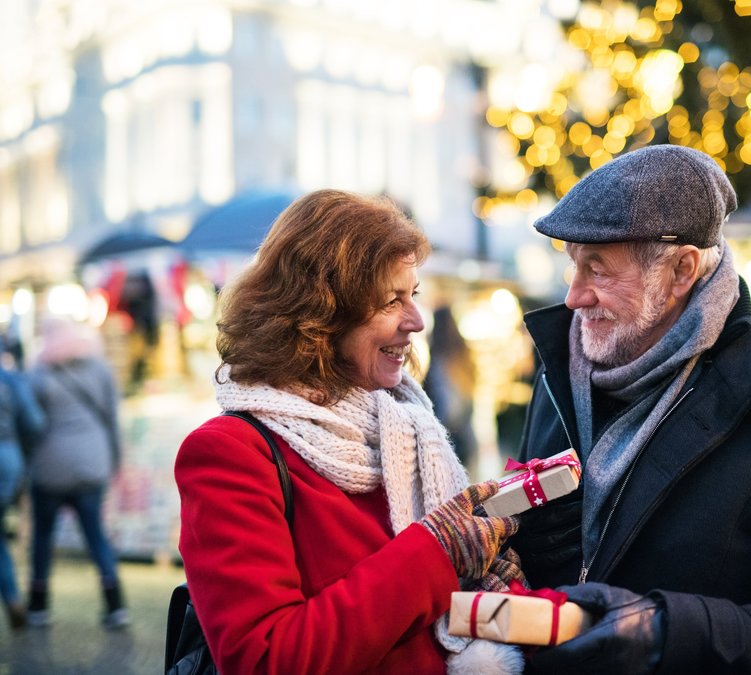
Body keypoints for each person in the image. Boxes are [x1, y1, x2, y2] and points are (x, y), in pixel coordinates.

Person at [511, 145, 751, 674]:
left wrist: (665, 631)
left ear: (682, 270)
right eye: (573, 263)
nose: (573, 297)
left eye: (598, 269)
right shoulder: (557, 375)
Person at [175, 189, 526, 674]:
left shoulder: (406, 423)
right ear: (319, 314)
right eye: (390, 301)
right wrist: (436, 552)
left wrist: (489, 582)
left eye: (414, 295)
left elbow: (436, 620)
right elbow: (266, 658)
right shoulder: (231, 453)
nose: (416, 321)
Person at [25, 317, 129, 629]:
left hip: (49, 467)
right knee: (95, 534)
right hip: (91, 462)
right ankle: (115, 605)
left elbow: (30, 424)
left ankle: (38, 606)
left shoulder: (39, 372)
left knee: (43, 536)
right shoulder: (99, 368)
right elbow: (112, 417)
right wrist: (115, 460)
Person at [0, 348, 46, 630]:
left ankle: (14, 598)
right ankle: (13, 598)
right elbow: (34, 422)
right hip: (8, 459)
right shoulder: (9, 378)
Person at [422, 305, 478, 471]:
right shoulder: (463, 353)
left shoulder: (438, 358)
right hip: (465, 431)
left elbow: (441, 402)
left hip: (447, 433)